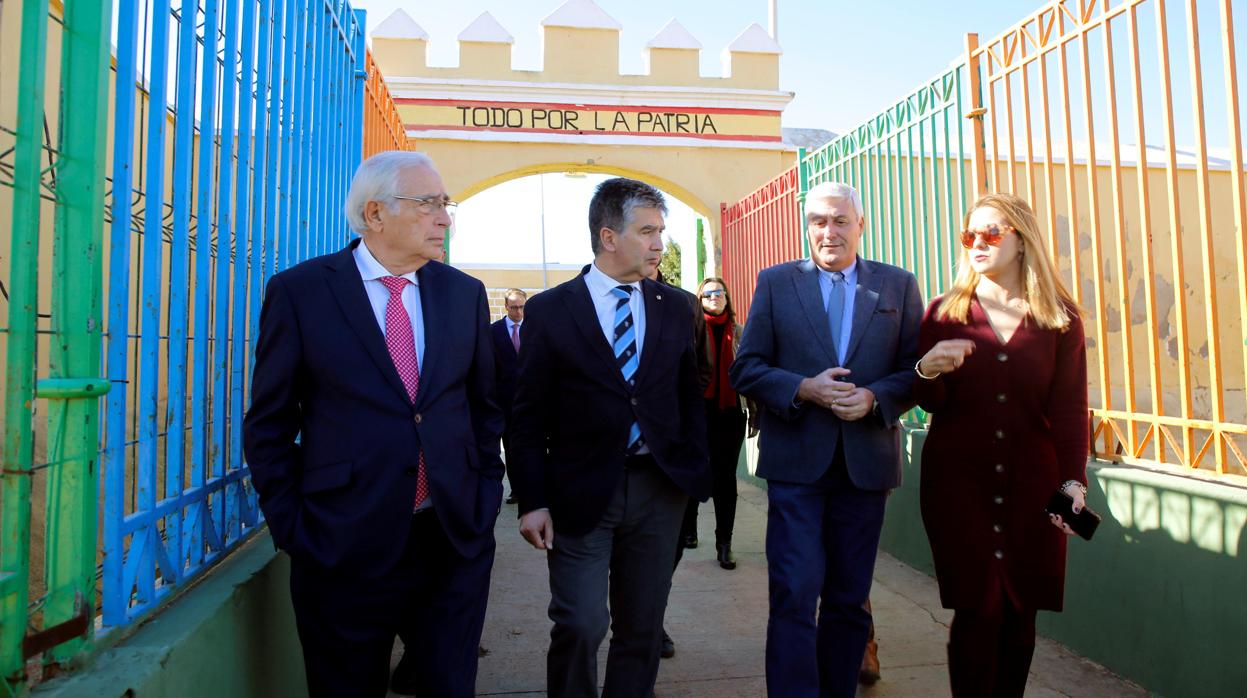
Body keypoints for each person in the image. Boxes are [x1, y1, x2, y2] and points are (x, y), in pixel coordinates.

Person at [242, 151, 504, 698]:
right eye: (429, 204)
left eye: (445, 203)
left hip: (451, 539)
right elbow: (269, 423)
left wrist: (482, 499)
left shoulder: (464, 294)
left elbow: (484, 408)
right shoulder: (302, 293)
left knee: (450, 686)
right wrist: (295, 527)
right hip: (342, 542)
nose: (445, 217)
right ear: (376, 214)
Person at [509, 177, 711, 698]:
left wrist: (692, 474)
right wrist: (531, 500)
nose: (658, 244)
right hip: (579, 494)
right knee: (580, 623)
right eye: (647, 232)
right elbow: (525, 415)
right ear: (608, 237)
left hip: (659, 490)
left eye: (661, 231)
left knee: (642, 630)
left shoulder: (678, 306)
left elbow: (691, 396)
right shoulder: (552, 310)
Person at [730, 181, 923, 697]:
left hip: (866, 466)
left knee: (847, 596)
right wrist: (802, 389)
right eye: (818, 220)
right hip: (797, 465)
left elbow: (916, 371)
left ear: (860, 225)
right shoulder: (775, 283)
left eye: (840, 220)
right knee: (794, 591)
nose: (829, 231)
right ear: (806, 226)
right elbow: (746, 369)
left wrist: (876, 398)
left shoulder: (898, 286)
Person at [914, 192, 1088, 697]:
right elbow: (929, 402)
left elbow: (1070, 410)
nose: (978, 243)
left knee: (1020, 610)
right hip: (957, 484)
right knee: (979, 606)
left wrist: (1073, 483)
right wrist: (928, 369)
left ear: (1022, 239)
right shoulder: (944, 313)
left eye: (992, 232)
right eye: (971, 234)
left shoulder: (1061, 319)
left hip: (1033, 484)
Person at [686, 277, 747, 571]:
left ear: (727, 297)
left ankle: (725, 544)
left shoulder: (738, 333)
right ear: (699, 300)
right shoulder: (690, 331)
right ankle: (689, 529)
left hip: (731, 412)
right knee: (696, 469)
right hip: (698, 411)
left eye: (719, 292)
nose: (714, 297)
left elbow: (750, 371)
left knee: (725, 478)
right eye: (708, 293)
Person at [491, 288, 527, 504]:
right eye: (514, 307)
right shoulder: (493, 331)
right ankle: (516, 490)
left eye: (522, 306)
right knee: (511, 448)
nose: (518, 311)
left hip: (530, 399)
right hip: (504, 401)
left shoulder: (533, 329)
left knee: (533, 444)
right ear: (506, 307)